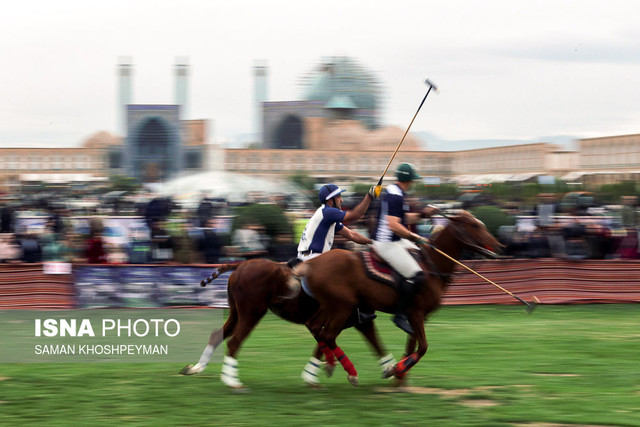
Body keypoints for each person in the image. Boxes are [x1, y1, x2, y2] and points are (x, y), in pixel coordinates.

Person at [371, 163, 428, 335]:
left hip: (394, 240)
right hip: (387, 243)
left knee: (424, 255)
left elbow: (403, 218)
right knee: (417, 276)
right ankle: (400, 315)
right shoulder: (396, 196)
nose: (413, 183)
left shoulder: (395, 192)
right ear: (409, 180)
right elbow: (395, 226)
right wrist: (416, 238)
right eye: (413, 180)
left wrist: (425, 214)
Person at [297, 184, 376, 262]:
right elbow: (355, 215)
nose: (341, 200)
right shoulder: (328, 212)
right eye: (338, 197)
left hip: (309, 257)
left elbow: (351, 235)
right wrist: (369, 196)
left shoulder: (326, 214)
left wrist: (372, 242)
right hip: (313, 257)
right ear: (330, 200)